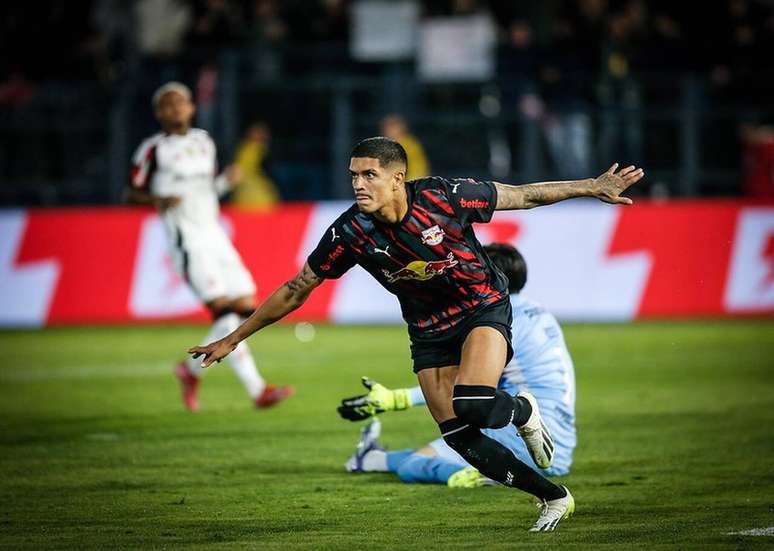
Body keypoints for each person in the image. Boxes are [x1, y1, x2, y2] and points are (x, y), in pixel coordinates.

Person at [189, 136, 644, 531]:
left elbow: (522, 196)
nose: (358, 184)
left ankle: (523, 411)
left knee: (473, 403)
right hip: (428, 331)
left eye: (369, 174)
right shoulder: (350, 231)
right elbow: (296, 288)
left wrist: (591, 187)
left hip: (481, 308)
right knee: (459, 436)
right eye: (354, 175)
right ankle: (552, 496)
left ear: (397, 177)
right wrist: (233, 339)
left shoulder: (444, 196)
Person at [339, 244, 576, 489]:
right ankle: (370, 459)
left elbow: (467, 388)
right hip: (561, 443)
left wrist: (397, 399)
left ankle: (472, 476)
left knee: (418, 464)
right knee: (447, 444)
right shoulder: (539, 312)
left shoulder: (497, 320)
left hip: (523, 438)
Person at [127, 81, 294, 412]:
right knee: (225, 311)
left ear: (191, 107)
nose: (177, 108)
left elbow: (205, 191)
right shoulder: (152, 149)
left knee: (246, 306)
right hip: (186, 238)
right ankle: (258, 390)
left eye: (182, 102)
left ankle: (189, 371)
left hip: (215, 234)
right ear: (159, 112)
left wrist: (224, 183)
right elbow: (129, 193)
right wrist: (158, 199)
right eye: (169, 104)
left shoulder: (204, 142)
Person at [232, 121, 281, 210]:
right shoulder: (247, 149)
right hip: (249, 194)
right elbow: (240, 170)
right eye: (257, 131)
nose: (261, 135)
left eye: (262, 132)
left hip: (259, 194)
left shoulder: (261, 150)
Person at [380, 114, 430, 182]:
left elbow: (418, 171)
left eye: (391, 126)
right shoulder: (390, 145)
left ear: (401, 128)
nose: (386, 130)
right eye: (385, 127)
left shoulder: (409, 146)